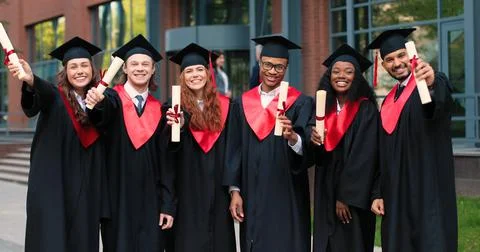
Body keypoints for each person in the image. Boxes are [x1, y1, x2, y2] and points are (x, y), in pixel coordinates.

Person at [7, 37, 107, 251]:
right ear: (65, 72)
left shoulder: (99, 104)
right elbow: (43, 92)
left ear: (92, 70)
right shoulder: (56, 97)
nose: (79, 71)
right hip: (54, 189)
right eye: (73, 66)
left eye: (84, 65)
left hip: (85, 193)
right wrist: (31, 79)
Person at [367, 28, 457, 251]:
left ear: (411, 55)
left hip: (427, 189)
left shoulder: (428, 84)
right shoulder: (387, 100)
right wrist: (378, 192)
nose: (396, 63)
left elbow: (439, 106)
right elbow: (381, 152)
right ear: (384, 65)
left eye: (401, 56)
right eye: (389, 59)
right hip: (396, 196)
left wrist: (433, 81)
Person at [85, 34, 176, 252]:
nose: (140, 68)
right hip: (117, 202)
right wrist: (98, 103)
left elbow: (167, 163)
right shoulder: (112, 99)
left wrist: (168, 204)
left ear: (154, 69)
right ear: (124, 68)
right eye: (134, 63)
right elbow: (102, 113)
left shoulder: (162, 111)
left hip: (151, 203)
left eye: (146, 64)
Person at [223, 35, 313, 252]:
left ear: (286, 68)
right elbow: (233, 149)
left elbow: (308, 147)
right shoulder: (241, 104)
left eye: (279, 67)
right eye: (268, 65)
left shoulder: (301, 103)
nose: (273, 71)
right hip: (251, 192)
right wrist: (235, 191)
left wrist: (293, 138)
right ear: (260, 64)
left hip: (287, 193)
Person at [164, 43, 235, 252]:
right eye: (188, 71)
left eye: (199, 69)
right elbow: (167, 152)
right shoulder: (173, 108)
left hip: (219, 194)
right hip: (187, 193)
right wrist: (178, 128)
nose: (195, 75)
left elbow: (233, 149)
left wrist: (234, 190)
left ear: (207, 72)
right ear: (182, 77)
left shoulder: (227, 106)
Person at [309, 44, 378, 252]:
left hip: (353, 199)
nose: (342, 76)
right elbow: (318, 157)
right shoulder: (323, 108)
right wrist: (314, 141)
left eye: (349, 72)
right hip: (325, 192)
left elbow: (364, 158)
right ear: (329, 76)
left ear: (357, 77)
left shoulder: (365, 109)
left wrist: (344, 197)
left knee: (351, 243)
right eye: (336, 71)